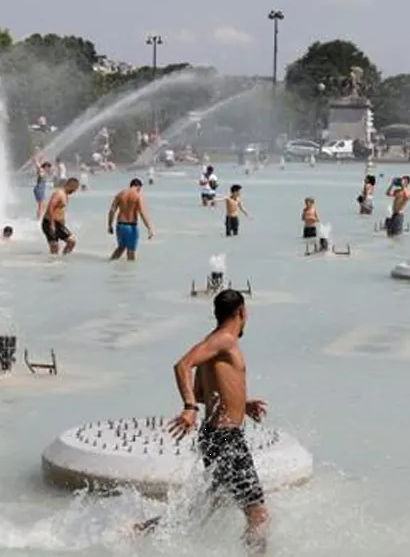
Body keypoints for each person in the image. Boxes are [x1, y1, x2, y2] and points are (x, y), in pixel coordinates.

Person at [133, 289, 270, 552]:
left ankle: (140, 532)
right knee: (258, 515)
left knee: (207, 507)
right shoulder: (225, 340)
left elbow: (202, 392)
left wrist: (242, 403)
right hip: (226, 438)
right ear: (242, 311)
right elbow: (182, 365)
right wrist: (189, 407)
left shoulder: (215, 342)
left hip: (215, 436)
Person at [108, 178, 155, 261]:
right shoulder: (137, 195)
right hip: (130, 227)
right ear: (139, 186)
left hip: (120, 225)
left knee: (121, 247)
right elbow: (142, 213)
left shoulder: (120, 194)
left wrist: (110, 225)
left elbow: (112, 210)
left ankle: (109, 263)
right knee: (131, 252)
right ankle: (130, 273)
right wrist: (149, 228)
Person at [37, 177, 80, 255]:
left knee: (71, 242)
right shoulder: (59, 193)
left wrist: (63, 222)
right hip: (49, 222)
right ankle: (55, 263)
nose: (73, 192)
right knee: (56, 247)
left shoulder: (65, 195)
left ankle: (63, 259)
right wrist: (52, 224)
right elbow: (50, 207)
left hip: (58, 224)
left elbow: (60, 210)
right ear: (71, 186)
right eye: (74, 189)